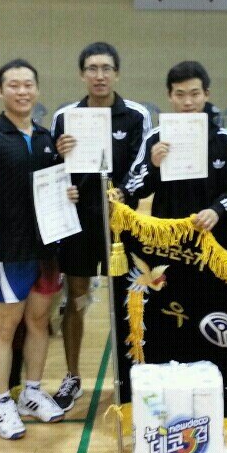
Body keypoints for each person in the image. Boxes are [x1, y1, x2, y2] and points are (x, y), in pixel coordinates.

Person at [0, 59, 76, 440]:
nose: (22, 91)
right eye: (14, 85)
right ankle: (3, 401)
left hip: (47, 249)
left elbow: (55, 187)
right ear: (0, 92)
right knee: (5, 328)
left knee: (39, 323)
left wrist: (68, 192)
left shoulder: (45, 138)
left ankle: (32, 393)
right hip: (10, 250)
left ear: (37, 90)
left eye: (28, 85)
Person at [50, 42, 151, 411]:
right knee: (75, 297)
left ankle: (128, 374)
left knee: (126, 299)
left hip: (120, 225)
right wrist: (60, 161)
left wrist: (124, 192)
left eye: (106, 68)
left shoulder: (137, 116)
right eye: (92, 68)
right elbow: (51, 169)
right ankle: (72, 376)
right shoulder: (65, 117)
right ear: (82, 75)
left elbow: (144, 166)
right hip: (77, 224)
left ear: (117, 74)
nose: (99, 75)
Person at [117, 61, 227, 246]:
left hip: (213, 239)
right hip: (168, 240)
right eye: (180, 94)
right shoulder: (155, 138)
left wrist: (216, 210)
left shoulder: (225, 140)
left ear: (206, 94)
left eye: (195, 94)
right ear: (169, 96)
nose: (188, 102)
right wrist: (153, 165)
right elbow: (133, 188)